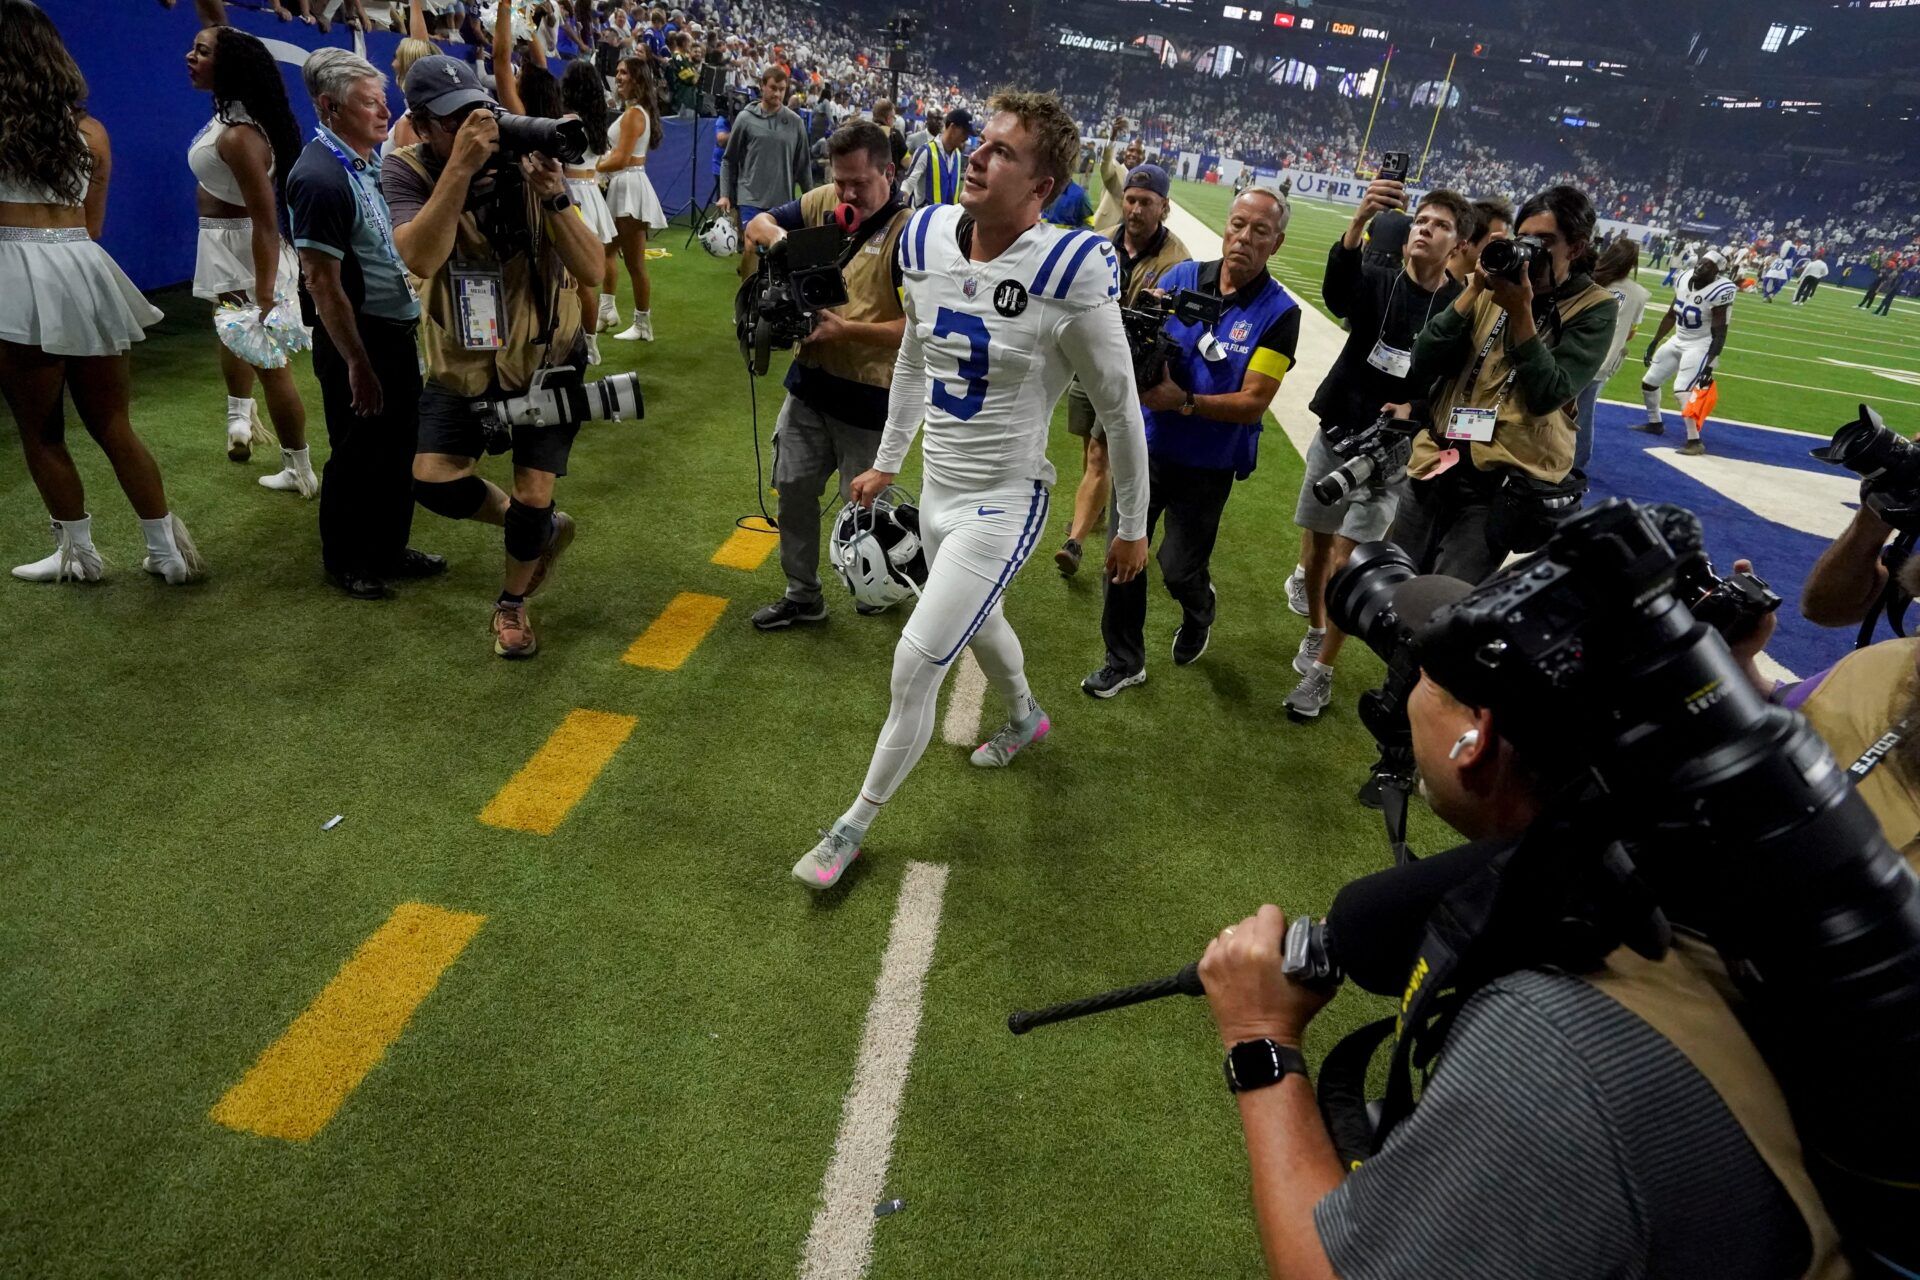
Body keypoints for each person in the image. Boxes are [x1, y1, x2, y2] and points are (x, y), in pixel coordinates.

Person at [1200, 571, 1836, 1280]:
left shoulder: (1553, 1032)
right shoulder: (1754, 853)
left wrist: (1258, 1038)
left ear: (1478, 739)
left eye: (1426, 677)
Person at [791, 89, 1152, 890]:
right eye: (981, 142)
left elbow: (1121, 411)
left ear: (1043, 187)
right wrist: (890, 459)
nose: (979, 157)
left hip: (1006, 501)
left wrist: (1130, 524)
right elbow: (917, 352)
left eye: (1004, 152)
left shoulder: (1069, 268)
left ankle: (852, 824)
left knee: (917, 659)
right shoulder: (923, 236)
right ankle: (1026, 717)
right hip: (938, 491)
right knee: (980, 621)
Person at [385, 55, 604, 659]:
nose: (478, 128)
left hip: (546, 355)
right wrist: (459, 169)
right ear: (424, 126)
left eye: (482, 112)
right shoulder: (406, 171)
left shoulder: (531, 161)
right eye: (457, 121)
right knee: (432, 481)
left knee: (536, 489)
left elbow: (592, 271)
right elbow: (421, 257)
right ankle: (534, 530)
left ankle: (511, 604)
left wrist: (556, 197)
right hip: (463, 359)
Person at [1, 0, 202, 587]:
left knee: (41, 432)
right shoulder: (91, 131)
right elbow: (92, 227)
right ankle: (167, 553)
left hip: (15, 278)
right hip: (84, 271)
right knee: (115, 424)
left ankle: (78, 556)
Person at [1082, 185, 1300, 698]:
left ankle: (1198, 605)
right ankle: (1124, 659)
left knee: (1178, 568)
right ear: (1227, 227)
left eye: (1260, 231)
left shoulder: (1278, 313)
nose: (1244, 238)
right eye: (1239, 225)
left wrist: (1184, 402)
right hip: (1147, 447)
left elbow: (1253, 401)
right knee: (1122, 554)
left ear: (1278, 242)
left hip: (1208, 462)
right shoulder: (1181, 278)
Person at [1283, 183, 1468, 721]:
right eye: (1419, 221)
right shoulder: (1380, 281)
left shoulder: (1456, 308)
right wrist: (1360, 219)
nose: (1423, 230)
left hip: (1389, 455)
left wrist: (1417, 411)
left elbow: (1453, 383)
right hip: (1340, 432)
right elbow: (1338, 292)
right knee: (1318, 549)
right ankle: (1319, 628)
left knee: (1350, 559)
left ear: (1456, 243)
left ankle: (1322, 673)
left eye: (1438, 225)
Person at [1392, 185, 1616, 584]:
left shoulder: (1594, 306)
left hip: (1498, 483)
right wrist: (1475, 289)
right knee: (1395, 585)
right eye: (1525, 237)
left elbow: (1549, 392)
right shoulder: (1492, 285)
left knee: (1445, 601)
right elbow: (1425, 360)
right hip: (1438, 456)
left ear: (1577, 248)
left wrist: (1522, 314)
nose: (1531, 249)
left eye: (1546, 241)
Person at [743, 122, 910, 631]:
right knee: (791, 487)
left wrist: (847, 331)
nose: (847, 193)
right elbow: (758, 223)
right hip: (810, 384)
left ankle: (881, 585)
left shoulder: (911, 232)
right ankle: (802, 594)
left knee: (864, 511)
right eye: (840, 181)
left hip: (869, 394)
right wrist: (780, 241)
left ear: (889, 170)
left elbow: (919, 331)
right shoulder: (822, 202)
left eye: (858, 182)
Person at [288, 48, 434, 601]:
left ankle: (390, 550)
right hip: (359, 336)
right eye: (369, 102)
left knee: (398, 446)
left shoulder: (367, 161)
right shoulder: (320, 177)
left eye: (383, 100)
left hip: (392, 328)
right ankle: (347, 561)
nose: (383, 111)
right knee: (356, 450)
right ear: (330, 107)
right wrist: (356, 362)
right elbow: (322, 284)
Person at [181, 22, 314, 494]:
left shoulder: (240, 136)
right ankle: (240, 417)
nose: (189, 57)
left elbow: (266, 220)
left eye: (201, 52)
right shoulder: (230, 116)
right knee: (232, 335)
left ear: (229, 65)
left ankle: (299, 468)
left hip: (244, 250)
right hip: (225, 244)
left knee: (271, 365)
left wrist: (265, 295)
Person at [1055, 162, 1189, 577]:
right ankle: (1093, 509)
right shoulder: (1099, 243)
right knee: (1089, 446)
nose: (1135, 209)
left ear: (1163, 207)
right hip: (1088, 360)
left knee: (1101, 452)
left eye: (1146, 202)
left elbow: (1177, 324)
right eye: (1130, 199)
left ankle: (1076, 539)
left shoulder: (1177, 260)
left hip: (1131, 370)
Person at [1633, 248, 1732, 457]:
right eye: (1701, 262)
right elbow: (1672, 313)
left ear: (1716, 272)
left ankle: (1695, 440)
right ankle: (1655, 423)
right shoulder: (1684, 277)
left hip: (1700, 344)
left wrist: (1710, 363)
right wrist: (1655, 340)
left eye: (1708, 266)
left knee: (1682, 390)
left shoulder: (1719, 291)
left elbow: (1720, 332)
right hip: (1678, 338)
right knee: (1649, 382)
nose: (1700, 267)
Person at [597, 56, 667, 341]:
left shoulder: (634, 114)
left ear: (637, 79)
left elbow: (621, 159)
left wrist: (593, 166)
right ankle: (606, 311)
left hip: (628, 188)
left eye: (624, 72)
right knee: (606, 252)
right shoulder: (634, 112)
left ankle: (642, 325)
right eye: (617, 71)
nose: (619, 76)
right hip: (623, 186)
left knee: (635, 263)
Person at [717, 65, 810, 270]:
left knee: (777, 257)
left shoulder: (795, 123)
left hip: (782, 203)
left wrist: (813, 202)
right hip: (750, 198)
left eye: (782, 89)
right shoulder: (745, 119)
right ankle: (748, 296)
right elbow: (728, 160)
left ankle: (766, 295)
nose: (777, 93)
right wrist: (725, 195)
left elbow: (803, 167)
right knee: (753, 244)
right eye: (773, 87)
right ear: (762, 87)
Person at [1573, 237, 1649, 474]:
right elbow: (1631, 334)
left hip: (1574, 353)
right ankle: (1577, 462)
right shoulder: (1639, 294)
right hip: (1603, 361)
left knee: (1560, 408)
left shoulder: (1590, 280)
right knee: (1584, 414)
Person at [559, 60, 617, 362]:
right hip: (592, 195)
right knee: (585, 280)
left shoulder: (567, 122)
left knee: (573, 280)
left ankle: (581, 341)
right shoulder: (597, 121)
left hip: (572, 197)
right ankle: (589, 342)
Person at [901, 108, 971, 208]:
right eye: (964, 133)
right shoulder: (926, 151)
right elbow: (908, 185)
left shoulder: (958, 155)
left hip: (947, 220)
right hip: (925, 220)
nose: (967, 138)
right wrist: (902, 210)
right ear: (953, 128)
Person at [1088, 119, 1141, 229]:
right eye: (1131, 150)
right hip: (1104, 227)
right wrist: (1113, 136)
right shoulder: (1114, 168)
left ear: (1143, 157)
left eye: (1138, 152)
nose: (1133, 154)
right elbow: (1106, 162)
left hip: (1127, 233)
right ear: (1125, 153)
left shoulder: (1143, 179)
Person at [1444, 196, 1509, 285]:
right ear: (1466, 241)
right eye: (1496, 241)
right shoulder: (1429, 283)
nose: (1502, 251)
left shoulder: (1480, 291)